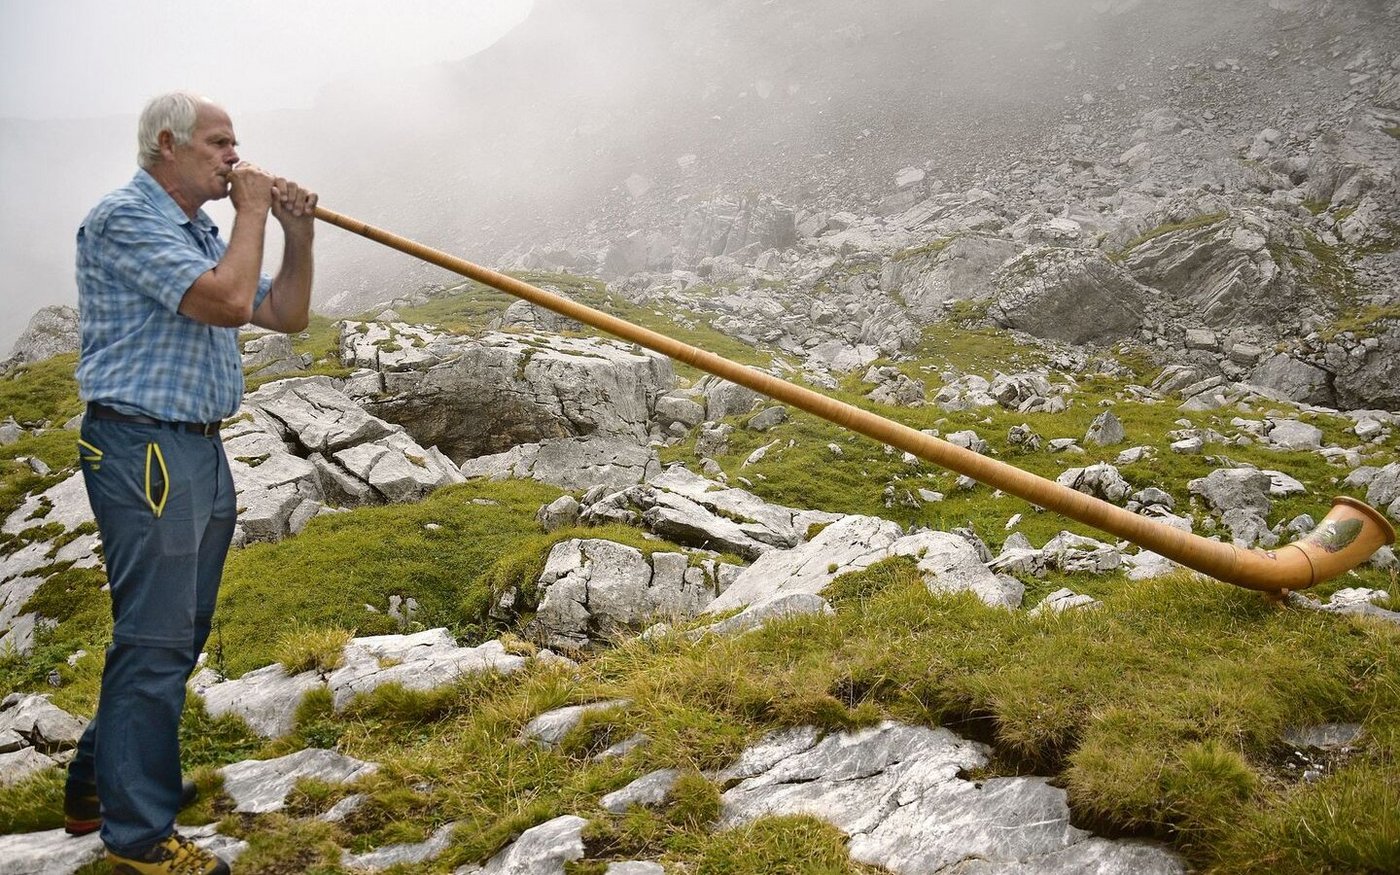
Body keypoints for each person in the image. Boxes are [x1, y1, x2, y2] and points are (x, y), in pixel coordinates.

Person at [65, 91, 316, 875]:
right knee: (158, 637)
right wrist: (251, 212)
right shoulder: (126, 219)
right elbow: (229, 301)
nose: (235, 158)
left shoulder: (199, 227)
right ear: (167, 145)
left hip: (196, 449)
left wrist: (295, 232)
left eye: (237, 145)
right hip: (144, 446)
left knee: (176, 629)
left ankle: (93, 789)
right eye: (220, 144)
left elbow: (286, 314)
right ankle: (139, 836)